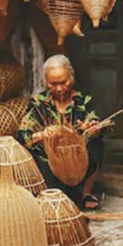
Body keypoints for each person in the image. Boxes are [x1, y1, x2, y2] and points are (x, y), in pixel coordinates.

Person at [18, 54, 105, 210]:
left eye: (63, 82)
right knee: (34, 150)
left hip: (78, 158)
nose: (59, 88)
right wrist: (42, 135)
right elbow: (23, 135)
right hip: (50, 160)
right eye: (53, 84)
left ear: (71, 78)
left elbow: (96, 123)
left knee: (96, 143)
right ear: (45, 82)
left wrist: (92, 130)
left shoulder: (83, 101)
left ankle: (86, 192)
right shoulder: (38, 103)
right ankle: (49, 190)